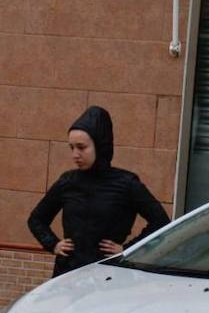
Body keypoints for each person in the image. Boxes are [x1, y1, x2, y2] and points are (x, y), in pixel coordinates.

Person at [27, 105, 170, 278]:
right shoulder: (68, 181)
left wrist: (129, 250)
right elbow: (37, 219)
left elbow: (161, 221)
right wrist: (53, 244)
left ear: (100, 145)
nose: (75, 155)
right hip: (68, 273)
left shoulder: (126, 184)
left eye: (81, 147)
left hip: (109, 275)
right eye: (71, 148)